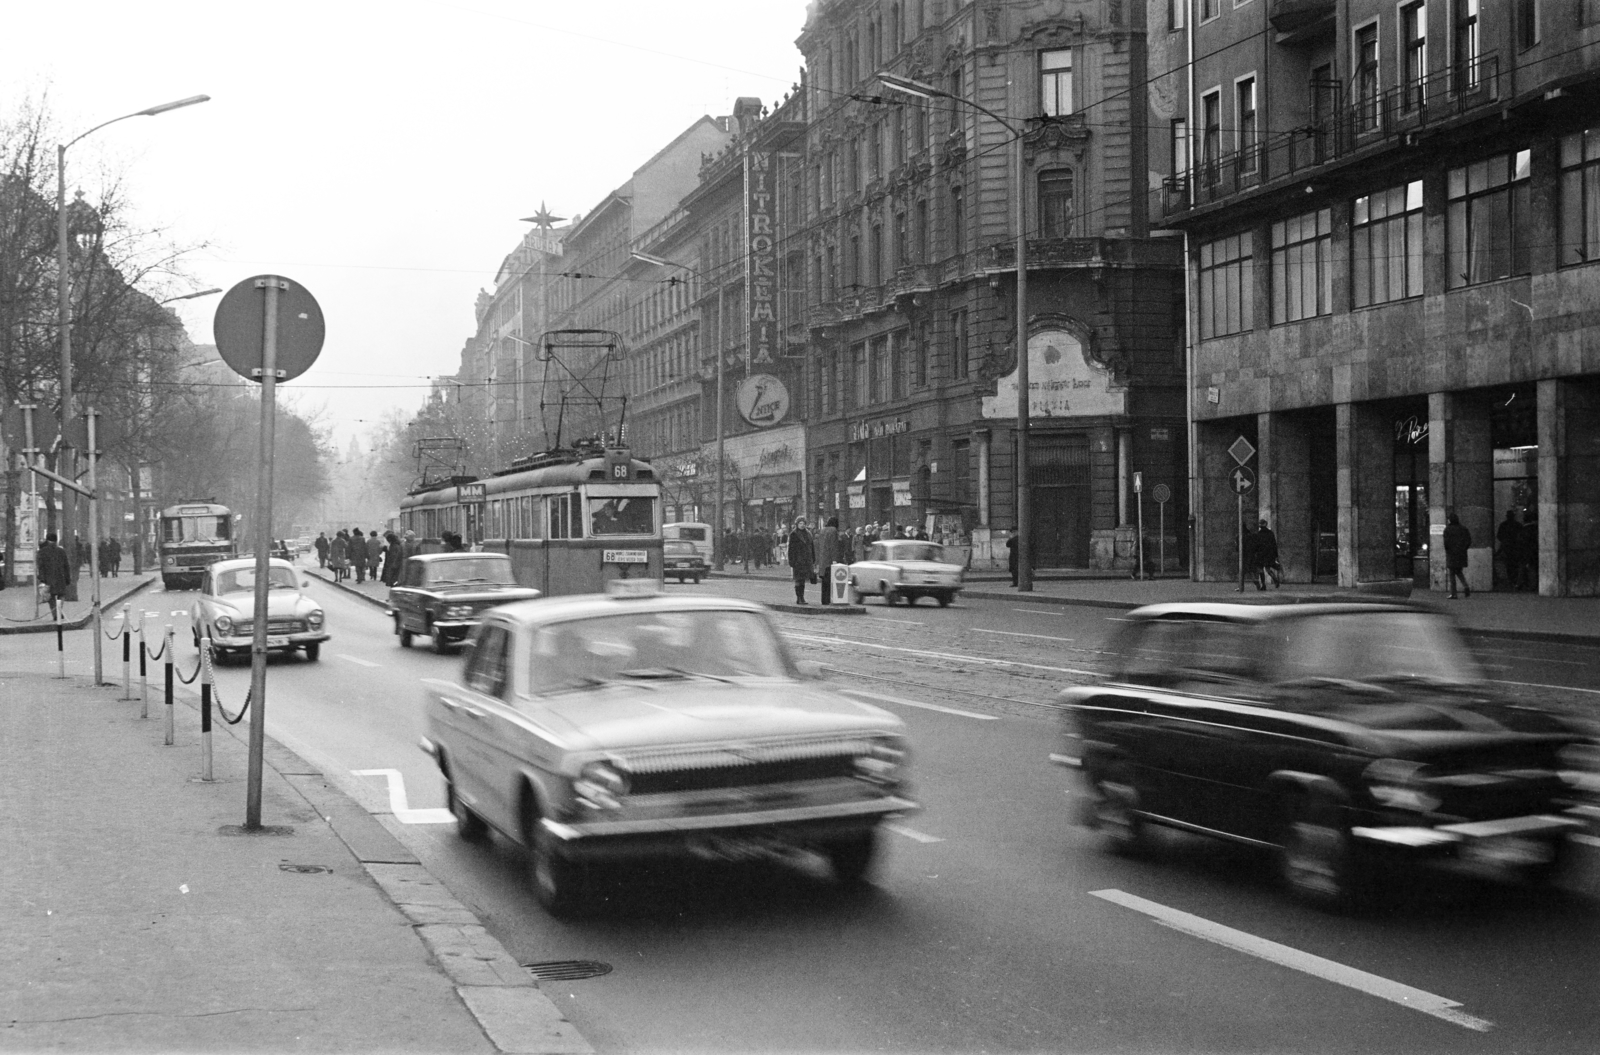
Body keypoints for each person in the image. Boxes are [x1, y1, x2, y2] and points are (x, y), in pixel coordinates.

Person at [37, 532, 71, 620]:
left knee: (51, 597)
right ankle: (59, 611)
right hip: (61, 577)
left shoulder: (42, 552)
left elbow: (40, 566)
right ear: (56, 540)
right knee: (61, 595)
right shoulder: (61, 551)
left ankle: (55, 613)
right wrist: (67, 578)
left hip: (48, 578)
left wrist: (42, 578)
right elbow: (66, 566)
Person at [787, 516, 816, 604]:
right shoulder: (794, 534)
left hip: (806, 560)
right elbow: (791, 549)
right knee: (798, 579)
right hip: (797, 561)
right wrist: (791, 561)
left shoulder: (808, 534)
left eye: (803, 523)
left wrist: (813, 558)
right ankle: (799, 597)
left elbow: (811, 547)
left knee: (803, 580)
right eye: (800, 523)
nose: (802, 525)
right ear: (797, 524)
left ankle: (802, 597)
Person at [1443, 513, 1472, 599]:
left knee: (1452, 573)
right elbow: (1469, 540)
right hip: (1461, 553)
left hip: (1452, 553)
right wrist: (1463, 548)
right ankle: (1466, 586)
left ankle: (1454, 593)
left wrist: (1448, 550)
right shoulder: (1464, 529)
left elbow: (1446, 543)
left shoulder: (1447, 529)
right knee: (1458, 571)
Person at [1496, 509, 1524, 590]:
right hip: (1516, 547)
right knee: (1516, 564)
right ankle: (1516, 580)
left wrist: (1505, 541)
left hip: (1507, 547)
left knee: (1509, 564)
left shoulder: (1503, 525)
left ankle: (1511, 580)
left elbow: (1499, 536)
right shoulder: (1518, 525)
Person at [817, 516, 841, 604]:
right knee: (829, 580)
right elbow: (833, 545)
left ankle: (824, 600)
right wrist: (835, 559)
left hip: (823, 558)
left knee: (824, 581)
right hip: (830, 559)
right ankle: (828, 600)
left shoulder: (822, 530)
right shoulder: (833, 530)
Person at [1255, 519, 1281, 589]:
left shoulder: (1259, 534)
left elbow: (1256, 545)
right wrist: (1276, 555)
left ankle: (1263, 585)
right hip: (1269, 554)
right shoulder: (1270, 533)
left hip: (1261, 554)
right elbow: (1274, 544)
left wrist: (1256, 553)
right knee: (1268, 569)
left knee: (1260, 569)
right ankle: (1275, 580)